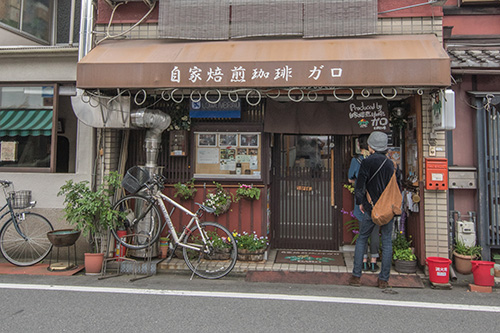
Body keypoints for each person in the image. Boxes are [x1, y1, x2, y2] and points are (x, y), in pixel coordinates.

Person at [349, 131, 399, 289]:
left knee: (362, 239)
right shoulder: (391, 164)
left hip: (371, 208)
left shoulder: (367, 162)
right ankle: (383, 280)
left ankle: (356, 276)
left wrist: (361, 203)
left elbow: (360, 186)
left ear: (371, 146)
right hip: (388, 208)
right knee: (386, 241)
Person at [348, 134, 380, 273]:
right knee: (375, 232)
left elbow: (350, 178)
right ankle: (374, 262)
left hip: (361, 199)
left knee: (363, 233)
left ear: (359, 145)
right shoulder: (378, 160)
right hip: (376, 199)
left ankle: (364, 262)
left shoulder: (356, 160)